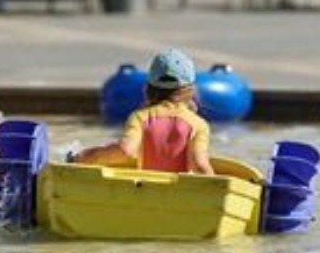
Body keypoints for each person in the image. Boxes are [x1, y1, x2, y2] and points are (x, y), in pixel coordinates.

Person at [70, 49, 215, 175]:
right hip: (181, 194)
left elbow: (125, 151)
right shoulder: (198, 124)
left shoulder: (140, 117)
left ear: (149, 88)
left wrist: (85, 156)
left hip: (145, 190)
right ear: (191, 90)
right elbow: (200, 165)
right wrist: (217, 186)